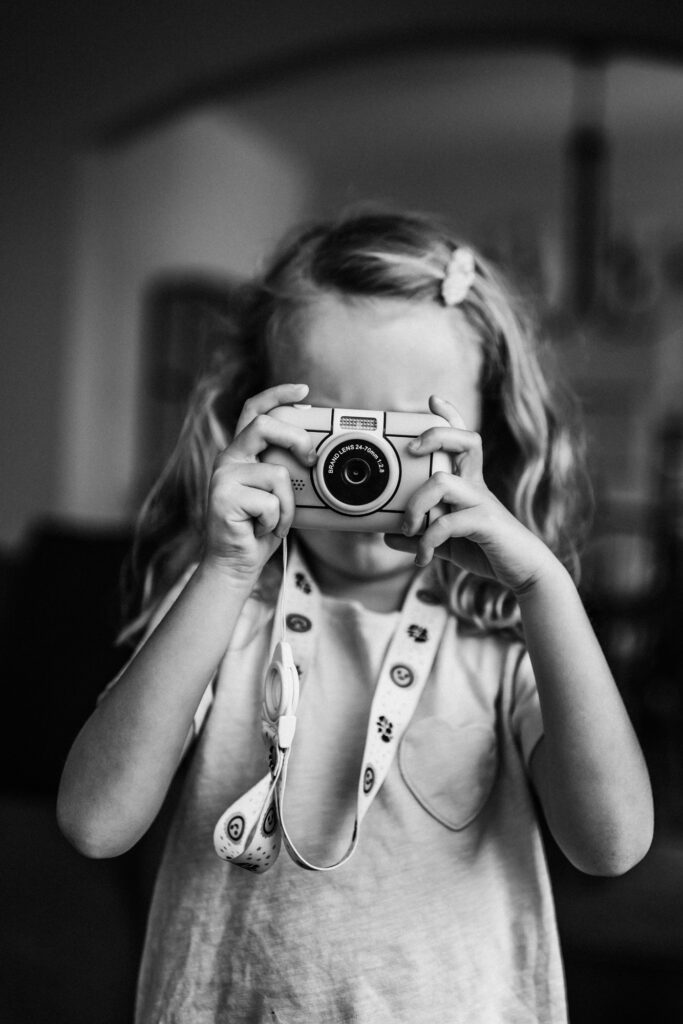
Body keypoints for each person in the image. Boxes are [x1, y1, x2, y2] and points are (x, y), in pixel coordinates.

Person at [57, 206, 654, 1023]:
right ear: (255, 419)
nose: (364, 466)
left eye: (412, 431)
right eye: (333, 428)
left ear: (491, 435)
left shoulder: (507, 640)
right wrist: (226, 569)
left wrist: (543, 590)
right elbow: (95, 824)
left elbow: (611, 843)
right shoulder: (222, 618)